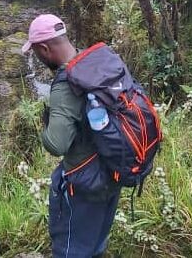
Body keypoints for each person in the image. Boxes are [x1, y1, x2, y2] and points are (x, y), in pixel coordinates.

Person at [22, 14, 122, 257]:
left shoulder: (67, 84)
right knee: (96, 241)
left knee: (70, 249)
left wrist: (44, 124)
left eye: (35, 51)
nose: (37, 56)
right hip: (114, 166)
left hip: (85, 179)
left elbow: (57, 144)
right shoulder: (97, 60)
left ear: (44, 49)